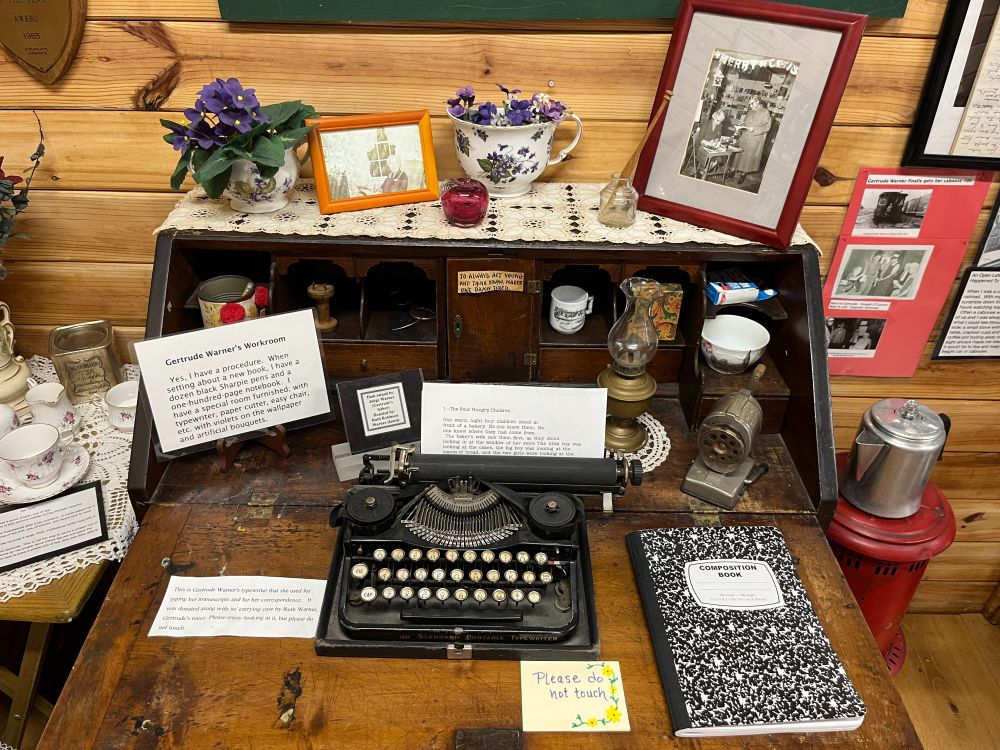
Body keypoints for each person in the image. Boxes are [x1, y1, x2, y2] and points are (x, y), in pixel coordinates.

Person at [732, 96, 773, 185]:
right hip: (745, 136)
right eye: (750, 103)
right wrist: (742, 125)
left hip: (755, 139)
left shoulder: (765, 112)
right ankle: (733, 170)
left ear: (758, 102)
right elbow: (746, 121)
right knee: (739, 154)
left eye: (752, 103)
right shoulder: (750, 110)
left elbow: (767, 127)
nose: (750, 106)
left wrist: (754, 129)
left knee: (748, 158)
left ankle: (743, 174)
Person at [696, 106, 730, 179]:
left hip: (712, 146)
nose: (718, 123)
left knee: (721, 155)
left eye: (720, 121)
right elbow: (701, 139)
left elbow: (718, 135)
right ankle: (704, 171)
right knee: (715, 157)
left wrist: (716, 140)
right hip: (703, 145)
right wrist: (710, 143)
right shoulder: (706, 123)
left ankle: (704, 170)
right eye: (717, 120)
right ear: (714, 117)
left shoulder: (719, 125)